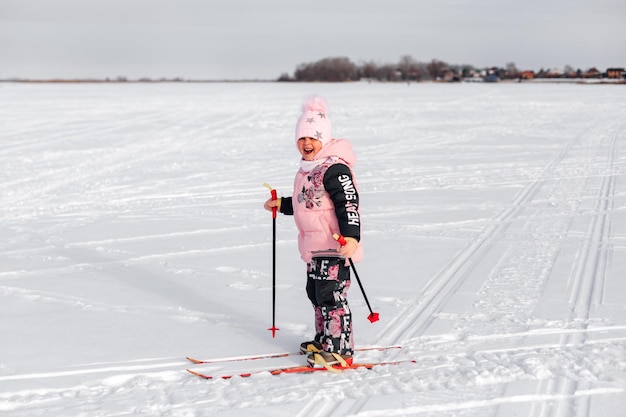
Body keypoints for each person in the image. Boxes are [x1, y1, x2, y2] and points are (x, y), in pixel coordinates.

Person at [264, 95, 363, 369]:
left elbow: (348, 204)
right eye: (302, 139)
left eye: (313, 138)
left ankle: (341, 349)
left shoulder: (335, 168)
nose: (307, 144)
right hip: (314, 247)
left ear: (324, 139)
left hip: (335, 245)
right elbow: (307, 203)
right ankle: (324, 341)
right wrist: (282, 204)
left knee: (332, 297)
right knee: (316, 294)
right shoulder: (308, 170)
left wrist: (352, 238)